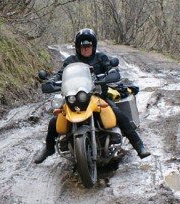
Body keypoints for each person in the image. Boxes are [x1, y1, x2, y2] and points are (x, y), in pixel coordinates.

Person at [34, 28, 151, 163]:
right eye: (83, 46)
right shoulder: (70, 61)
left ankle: (139, 145)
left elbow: (109, 68)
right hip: (75, 99)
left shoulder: (101, 58)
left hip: (99, 96)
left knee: (118, 113)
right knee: (55, 120)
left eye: (88, 45)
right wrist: (51, 81)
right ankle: (49, 148)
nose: (86, 48)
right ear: (78, 46)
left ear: (93, 46)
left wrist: (112, 72)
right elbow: (61, 75)